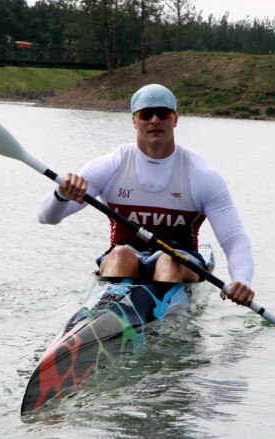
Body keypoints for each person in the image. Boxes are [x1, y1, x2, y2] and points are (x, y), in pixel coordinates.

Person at [37, 84, 254, 306]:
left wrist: (241, 280)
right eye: (145, 114)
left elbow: (234, 239)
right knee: (121, 255)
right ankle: (111, 310)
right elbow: (46, 217)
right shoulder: (111, 165)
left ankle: (153, 316)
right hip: (124, 260)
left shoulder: (201, 175)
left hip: (180, 260)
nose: (154, 120)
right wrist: (61, 195)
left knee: (168, 261)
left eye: (163, 113)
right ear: (134, 120)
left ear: (175, 119)